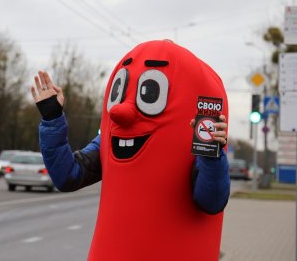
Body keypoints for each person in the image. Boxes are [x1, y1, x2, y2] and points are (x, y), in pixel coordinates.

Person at [31, 40, 230, 261]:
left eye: (149, 94)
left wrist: (211, 154)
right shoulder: (109, 142)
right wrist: (52, 118)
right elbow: (67, 176)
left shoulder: (198, 147)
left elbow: (211, 201)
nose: (120, 112)